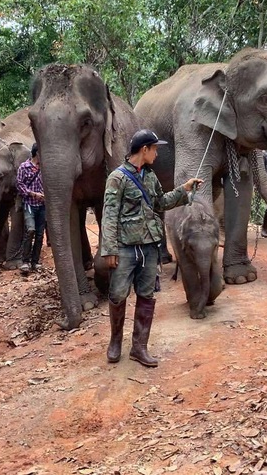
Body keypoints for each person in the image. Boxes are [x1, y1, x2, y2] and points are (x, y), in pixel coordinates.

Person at [101, 129, 202, 368]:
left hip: (149, 247)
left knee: (146, 296)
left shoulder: (150, 176)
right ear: (144, 149)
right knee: (117, 295)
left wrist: (184, 190)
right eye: (155, 149)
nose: (157, 153)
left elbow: (160, 202)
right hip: (125, 248)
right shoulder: (118, 178)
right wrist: (110, 250)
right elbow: (109, 215)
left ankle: (139, 347)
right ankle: (115, 342)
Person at [16, 143, 45, 273]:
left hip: (42, 205)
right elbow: (19, 185)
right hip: (29, 203)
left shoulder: (45, 167)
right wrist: (33, 194)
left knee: (40, 234)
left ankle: (35, 262)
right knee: (30, 230)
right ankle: (25, 261)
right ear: (37, 153)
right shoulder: (24, 167)